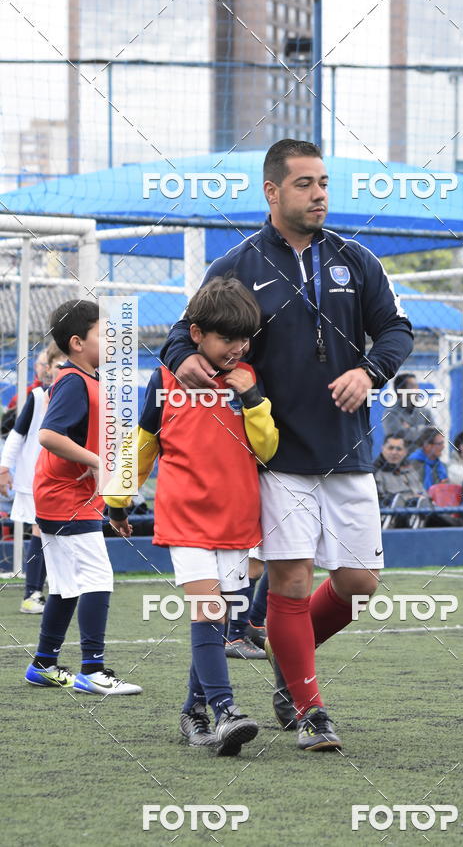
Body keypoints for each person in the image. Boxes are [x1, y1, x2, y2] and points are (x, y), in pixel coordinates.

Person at [161, 138, 413, 751]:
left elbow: (397, 331)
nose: (319, 192)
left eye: (324, 182)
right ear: (272, 192)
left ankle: (285, 662)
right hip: (274, 457)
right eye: (304, 183)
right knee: (292, 584)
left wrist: (371, 371)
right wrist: (186, 358)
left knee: (358, 585)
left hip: (347, 451)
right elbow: (179, 333)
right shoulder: (239, 264)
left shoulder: (356, 260)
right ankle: (310, 709)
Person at [107, 277, 279, 755]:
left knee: (224, 618)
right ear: (197, 333)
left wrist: (252, 400)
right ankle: (226, 710)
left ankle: (193, 713)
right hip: (185, 517)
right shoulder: (165, 378)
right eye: (228, 338)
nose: (238, 348)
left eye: (245, 339)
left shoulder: (247, 378)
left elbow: (266, 449)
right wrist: (118, 501)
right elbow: (143, 443)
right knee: (207, 612)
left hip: (238, 519)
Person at [24, 300, 141, 695]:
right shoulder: (73, 379)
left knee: (64, 585)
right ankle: (93, 669)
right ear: (77, 342)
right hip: (64, 497)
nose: (113, 338)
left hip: (72, 498)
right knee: (97, 577)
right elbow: (48, 435)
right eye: (103, 333)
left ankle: (43, 663)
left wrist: (112, 506)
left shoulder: (88, 379)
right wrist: (97, 462)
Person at [0, 341, 66, 613]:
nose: (63, 370)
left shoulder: (84, 392)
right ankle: (32, 593)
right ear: (47, 369)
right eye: (58, 365)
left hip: (69, 480)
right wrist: (5, 469)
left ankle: (60, 587)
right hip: (37, 479)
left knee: (61, 532)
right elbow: (16, 435)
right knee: (42, 527)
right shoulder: (37, 398)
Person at [374, 433, 431, 527]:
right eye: (390, 448)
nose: (394, 452)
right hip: (393, 514)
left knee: (447, 521)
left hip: (418, 509)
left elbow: (422, 492)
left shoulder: (409, 469)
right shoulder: (375, 471)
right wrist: (410, 498)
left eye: (399, 449)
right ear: (382, 448)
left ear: (405, 452)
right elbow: (382, 500)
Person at [381, 372, 434, 451]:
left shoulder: (425, 412)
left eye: (417, 386)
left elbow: (434, 434)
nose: (418, 390)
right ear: (400, 391)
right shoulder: (390, 414)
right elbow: (396, 437)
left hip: (423, 458)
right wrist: (424, 430)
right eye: (413, 386)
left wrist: (408, 431)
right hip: (400, 460)